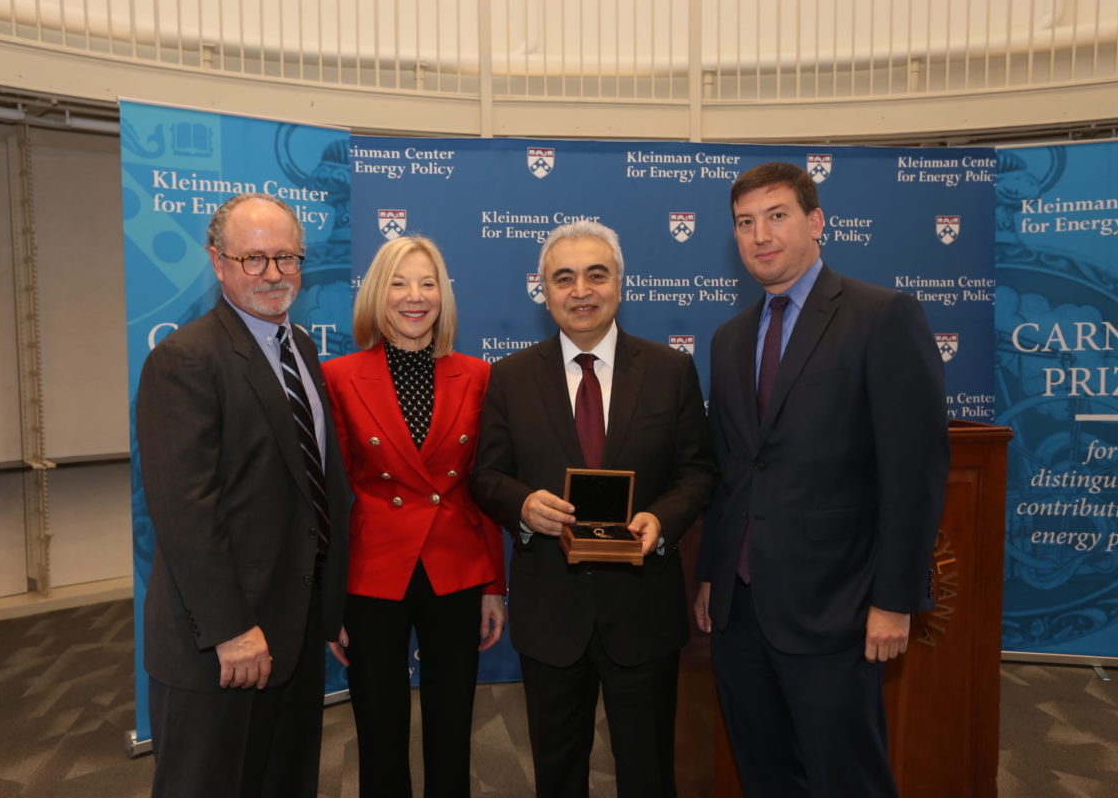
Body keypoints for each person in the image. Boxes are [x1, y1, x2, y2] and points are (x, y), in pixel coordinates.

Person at [693, 161, 949, 798]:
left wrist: (894, 600)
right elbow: (734, 473)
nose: (760, 235)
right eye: (745, 224)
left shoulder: (882, 315)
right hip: (740, 610)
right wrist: (710, 576)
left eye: (776, 216)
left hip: (838, 608)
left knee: (847, 780)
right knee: (765, 775)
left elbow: (913, 472)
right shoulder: (727, 340)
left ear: (816, 222)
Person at [471, 220, 717, 798]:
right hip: (551, 611)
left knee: (648, 771)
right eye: (564, 277)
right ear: (545, 290)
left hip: (643, 610)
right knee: (558, 774)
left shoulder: (670, 371)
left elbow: (699, 470)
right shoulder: (508, 377)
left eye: (595, 274)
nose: (580, 290)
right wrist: (523, 505)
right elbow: (486, 475)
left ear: (620, 285)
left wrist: (664, 522)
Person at [136, 193, 350, 797]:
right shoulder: (185, 360)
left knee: (284, 782)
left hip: (296, 629)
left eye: (287, 257)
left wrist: (330, 609)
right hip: (222, 644)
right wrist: (232, 629)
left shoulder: (302, 350)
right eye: (253, 259)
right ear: (217, 262)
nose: (274, 274)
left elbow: (319, 489)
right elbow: (184, 511)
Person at [322, 235, 507, 798]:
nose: (415, 296)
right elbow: (333, 496)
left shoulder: (478, 374)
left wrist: (493, 586)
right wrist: (332, 602)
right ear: (378, 293)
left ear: (444, 296)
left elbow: (485, 486)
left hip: (455, 566)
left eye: (428, 283)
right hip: (373, 572)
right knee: (378, 730)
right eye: (400, 282)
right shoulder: (338, 375)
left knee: (453, 726)